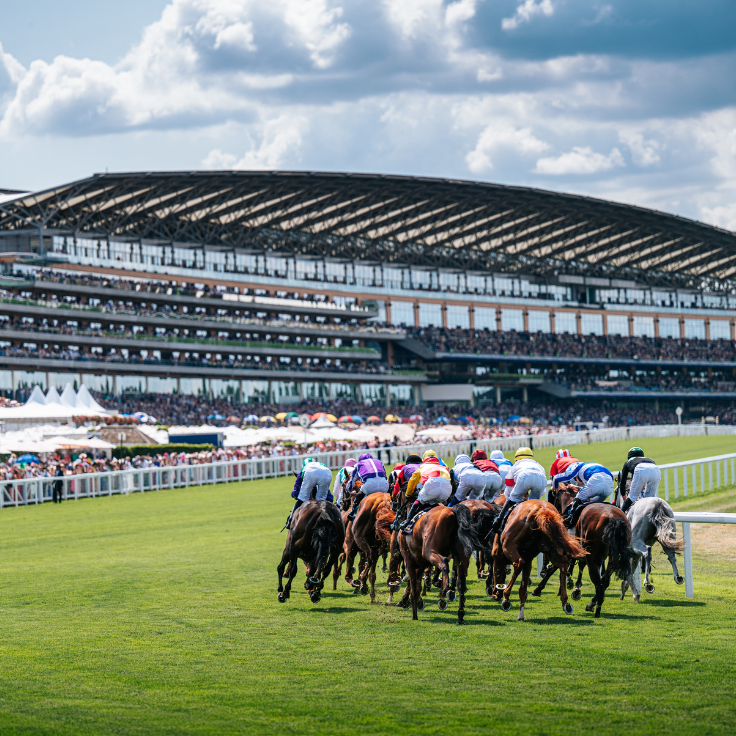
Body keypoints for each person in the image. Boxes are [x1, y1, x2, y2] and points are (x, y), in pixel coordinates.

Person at [490, 447, 547, 537]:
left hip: (524, 475)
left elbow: (508, 483)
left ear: (517, 458)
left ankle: (499, 522)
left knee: (513, 500)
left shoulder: (517, 464)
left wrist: (510, 498)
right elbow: (543, 490)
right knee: (534, 505)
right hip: (541, 478)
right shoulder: (538, 464)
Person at [400, 451, 453, 529]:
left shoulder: (422, 467)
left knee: (419, 500)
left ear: (424, 460)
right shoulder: (444, 467)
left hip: (431, 488)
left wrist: (408, 494)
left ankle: (407, 521)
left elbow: (412, 480)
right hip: (446, 491)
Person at [556, 461, 615, 528]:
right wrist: (578, 488)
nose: (576, 480)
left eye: (575, 479)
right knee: (595, 503)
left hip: (596, 482)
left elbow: (594, 486)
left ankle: (570, 519)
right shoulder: (591, 465)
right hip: (609, 486)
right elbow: (598, 485)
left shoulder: (578, 469)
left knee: (579, 497)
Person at [285, 457, 334, 529]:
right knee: (322, 502)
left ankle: (289, 522)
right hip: (327, 472)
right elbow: (330, 497)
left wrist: (295, 495)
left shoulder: (304, 469)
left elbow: (296, 490)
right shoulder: (321, 466)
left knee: (301, 500)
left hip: (310, 473)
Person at [346, 453, 389, 521]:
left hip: (370, 486)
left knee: (360, 493)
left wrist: (349, 490)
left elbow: (352, 480)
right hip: (385, 485)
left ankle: (353, 512)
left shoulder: (358, 464)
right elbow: (385, 475)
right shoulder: (379, 461)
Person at [619, 447, 660, 513]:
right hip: (655, 469)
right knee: (650, 498)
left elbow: (623, 482)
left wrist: (624, 498)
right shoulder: (649, 459)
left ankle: (620, 514)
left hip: (640, 469)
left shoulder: (628, 462)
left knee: (632, 497)